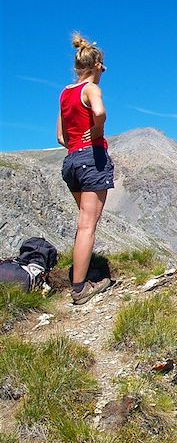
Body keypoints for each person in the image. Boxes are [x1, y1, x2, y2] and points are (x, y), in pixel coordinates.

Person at [57, 32, 113, 305]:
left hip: (71, 161)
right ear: (95, 66)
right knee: (88, 224)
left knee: (84, 221)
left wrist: (78, 139)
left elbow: (60, 137)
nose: (104, 71)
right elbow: (100, 112)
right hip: (92, 158)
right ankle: (79, 289)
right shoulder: (91, 89)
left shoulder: (65, 94)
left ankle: (82, 272)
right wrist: (96, 129)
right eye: (103, 66)